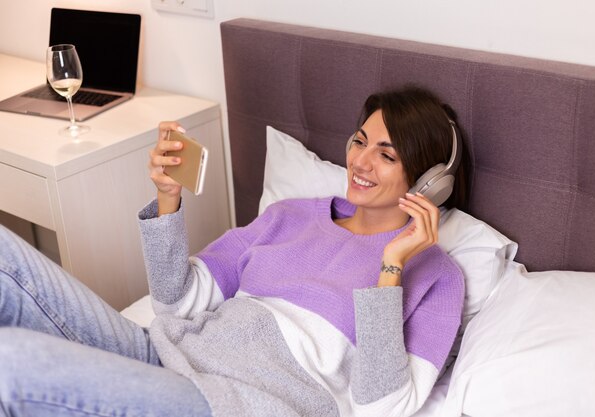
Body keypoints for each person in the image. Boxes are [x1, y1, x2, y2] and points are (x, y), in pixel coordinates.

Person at [0, 85, 469, 417]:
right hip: (167, 356)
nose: (360, 162)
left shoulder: (436, 277)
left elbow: (382, 406)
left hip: (238, 405)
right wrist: (168, 197)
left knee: (13, 362)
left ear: (431, 182)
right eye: (360, 142)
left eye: (387, 155)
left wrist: (391, 267)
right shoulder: (290, 216)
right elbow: (176, 302)